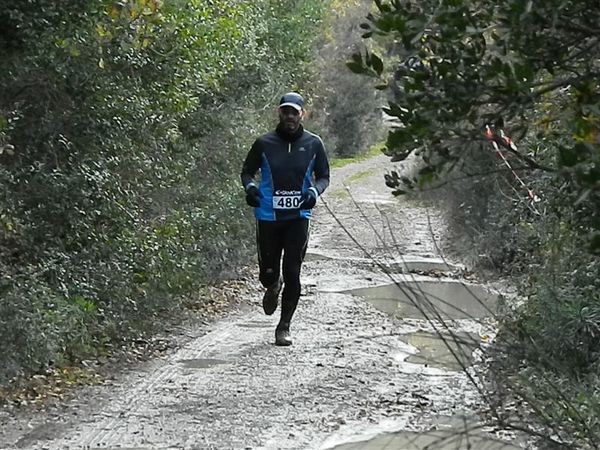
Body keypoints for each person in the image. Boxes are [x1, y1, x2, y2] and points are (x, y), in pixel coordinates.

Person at [240, 92, 330, 346]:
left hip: (298, 216)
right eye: (285, 111)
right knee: (268, 274)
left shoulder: (314, 144)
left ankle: (284, 327)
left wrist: (314, 191)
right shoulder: (264, 143)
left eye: (294, 112)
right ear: (279, 113)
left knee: (293, 271)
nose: (290, 116)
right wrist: (251, 189)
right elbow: (247, 172)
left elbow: (324, 176)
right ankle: (272, 284)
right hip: (268, 215)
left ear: (302, 114)